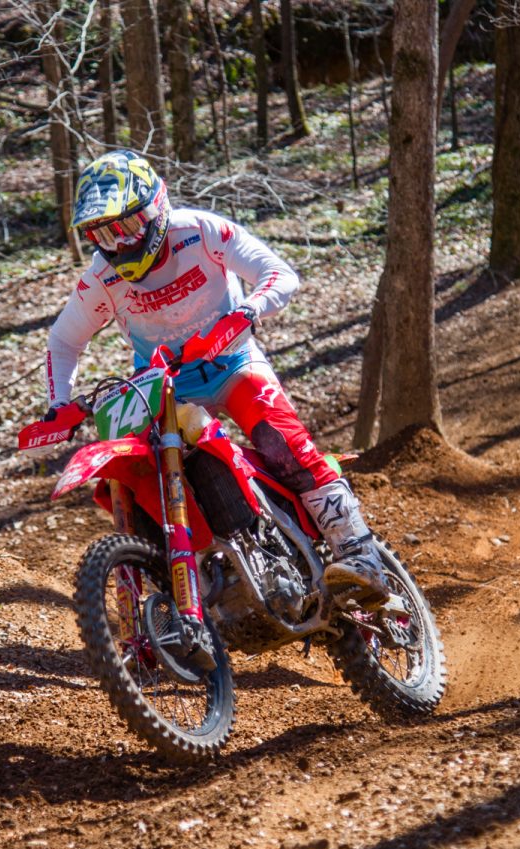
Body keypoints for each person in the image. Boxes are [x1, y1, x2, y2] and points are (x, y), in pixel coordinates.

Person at [44, 150, 391, 606]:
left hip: (233, 363)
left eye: (125, 227)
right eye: (102, 234)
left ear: (155, 209)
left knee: (282, 445)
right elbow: (63, 340)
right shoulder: (103, 276)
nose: (118, 244)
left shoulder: (200, 231)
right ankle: (178, 592)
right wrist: (59, 402)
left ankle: (360, 553)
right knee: (136, 475)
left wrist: (245, 313)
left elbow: (279, 274)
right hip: (164, 387)